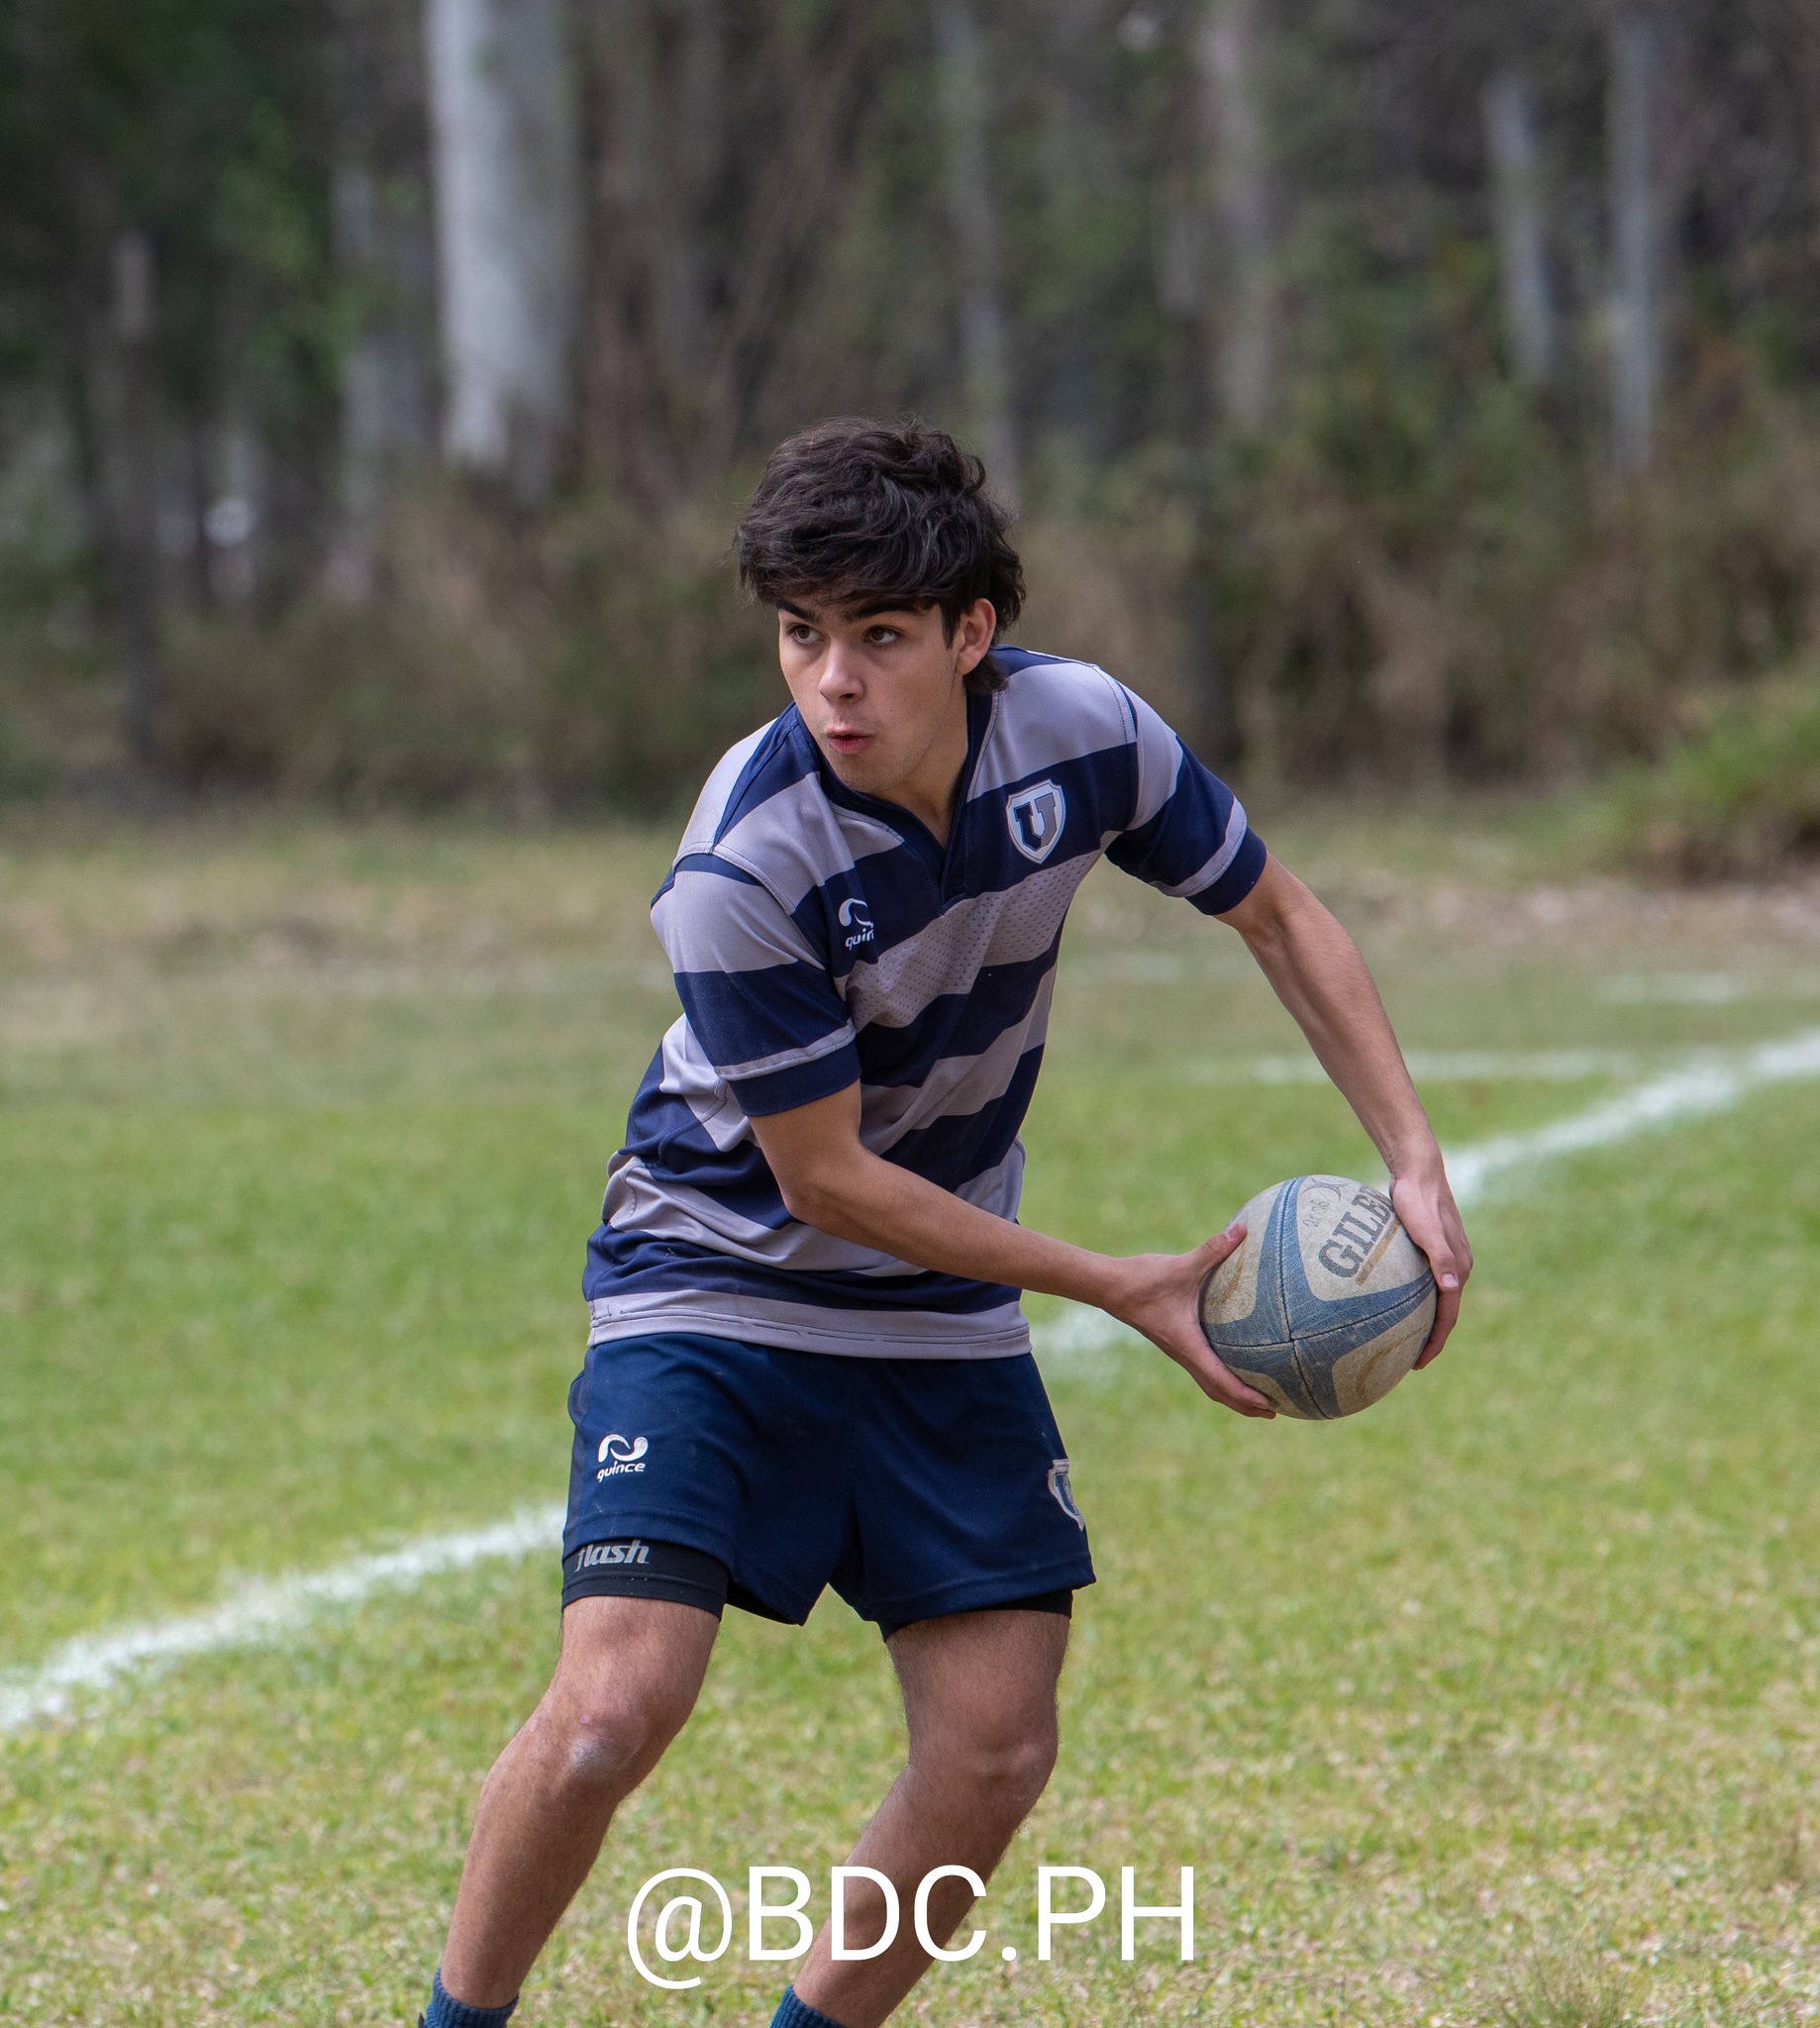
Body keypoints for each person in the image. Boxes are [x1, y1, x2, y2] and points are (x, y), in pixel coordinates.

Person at [417, 418, 1471, 2028]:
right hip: (716, 1281)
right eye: (800, 638)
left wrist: (1406, 1152)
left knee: (993, 1746)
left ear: (969, 636)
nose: (831, 682)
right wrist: (1119, 1283)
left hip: (935, 1306)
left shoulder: (1082, 733)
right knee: (608, 1717)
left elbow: (1274, 908)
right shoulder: (745, 858)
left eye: (879, 638)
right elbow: (823, 1181)